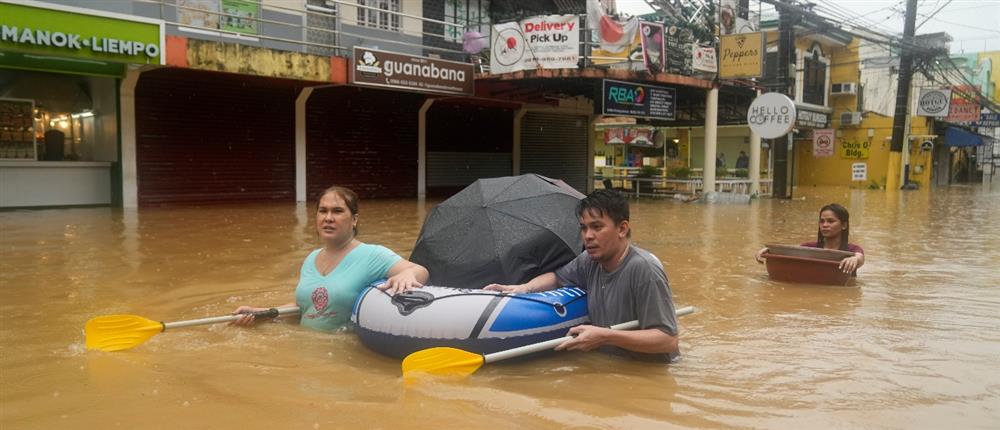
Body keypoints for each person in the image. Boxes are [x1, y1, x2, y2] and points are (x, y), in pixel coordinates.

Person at [485, 189, 680, 361]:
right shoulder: (589, 260)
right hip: (610, 366)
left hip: (646, 374)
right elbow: (557, 278)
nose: (588, 236)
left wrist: (606, 336)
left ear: (622, 229)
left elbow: (667, 339)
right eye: (584, 228)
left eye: (597, 227)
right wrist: (523, 288)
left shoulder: (644, 270)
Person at [232, 185, 429, 331]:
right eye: (323, 211)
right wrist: (260, 313)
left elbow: (420, 271)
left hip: (344, 357)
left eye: (337, 211)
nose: (328, 218)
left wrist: (407, 274)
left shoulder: (372, 255)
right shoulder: (311, 258)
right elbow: (305, 308)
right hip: (305, 354)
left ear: (354, 219)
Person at [755, 203, 865, 274]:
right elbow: (788, 252)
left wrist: (854, 259)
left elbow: (860, 258)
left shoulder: (853, 250)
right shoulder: (809, 247)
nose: (825, 225)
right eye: (822, 221)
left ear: (844, 225)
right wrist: (769, 251)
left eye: (830, 221)